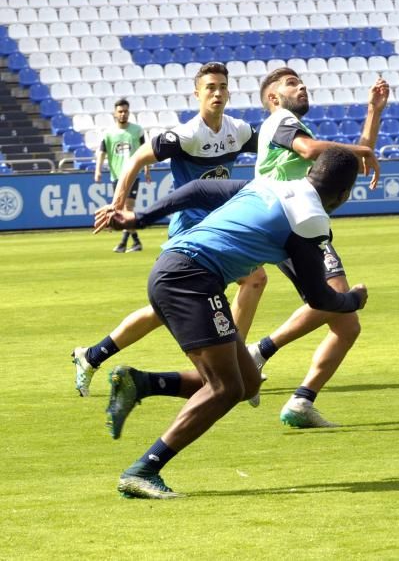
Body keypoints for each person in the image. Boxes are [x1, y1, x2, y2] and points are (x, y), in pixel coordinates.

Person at [107, 147, 369, 499]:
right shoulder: (310, 220)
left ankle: (140, 383)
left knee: (245, 382)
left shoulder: (270, 184)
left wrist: (142, 218)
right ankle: (142, 470)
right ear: (344, 194)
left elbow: (198, 190)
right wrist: (353, 299)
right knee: (225, 388)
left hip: (175, 267)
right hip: (190, 281)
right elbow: (320, 298)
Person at [72, 62, 267, 396]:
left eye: (222, 86)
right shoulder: (188, 134)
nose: (217, 93)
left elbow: (271, 152)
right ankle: (235, 365)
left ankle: (92, 355)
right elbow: (136, 159)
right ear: (197, 93)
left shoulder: (239, 130)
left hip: (220, 228)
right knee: (248, 280)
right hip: (190, 230)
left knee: (244, 282)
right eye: (210, 87)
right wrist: (119, 204)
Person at [246, 67, 389, 424]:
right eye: (292, 84)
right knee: (334, 295)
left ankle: (301, 402)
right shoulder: (280, 121)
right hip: (293, 224)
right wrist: (356, 148)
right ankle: (257, 353)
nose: (302, 86)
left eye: (301, 81)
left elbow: (351, 161)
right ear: (273, 98)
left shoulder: (292, 127)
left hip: (300, 224)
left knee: (346, 326)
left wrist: (374, 111)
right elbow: (312, 150)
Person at [94, 97, 151, 253]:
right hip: (116, 176)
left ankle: (125, 243)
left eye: (126, 111)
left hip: (133, 174)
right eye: (120, 111)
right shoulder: (108, 134)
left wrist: (146, 169)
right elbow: (102, 152)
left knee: (127, 207)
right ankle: (134, 242)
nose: (123, 114)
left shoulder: (137, 130)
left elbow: (144, 151)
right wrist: (98, 170)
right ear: (115, 113)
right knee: (124, 209)